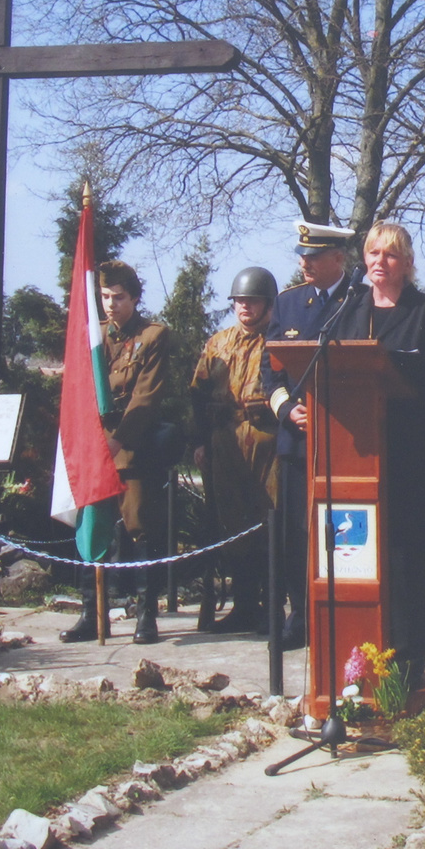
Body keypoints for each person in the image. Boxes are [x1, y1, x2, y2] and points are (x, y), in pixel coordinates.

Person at [328, 222, 425, 684]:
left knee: (405, 564)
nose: (379, 261)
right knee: (356, 559)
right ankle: (358, 664)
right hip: (356, 459)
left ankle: (406, 667)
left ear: (407, 264)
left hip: (410, 461)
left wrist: (400, 367)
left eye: (389, 254)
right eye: (372, 253)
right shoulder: (344, 313)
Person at [60, 260, 171, 645]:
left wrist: (118, 441)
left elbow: (145, 397)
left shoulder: (153, 337)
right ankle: (92, 614)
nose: (110, 305)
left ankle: (146, 617)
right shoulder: (94, 339)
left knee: (141, 527)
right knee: (93, 529)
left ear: (135, 298)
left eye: (119, 297)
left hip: (131, 448)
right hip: (95, 449)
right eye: (105, 297)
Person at [263, 221, 357, 649]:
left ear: (338, 258)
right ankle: (299, 614)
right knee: (297, 533)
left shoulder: (360, 301)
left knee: (342, 531)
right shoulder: (288, 304)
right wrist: (286, 408)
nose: (304, 262)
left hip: (347, 441)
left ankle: (343, 612)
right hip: (298, 440)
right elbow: (271, 370)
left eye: (314, 256)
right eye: (301, 255)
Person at [190, 266, 280, 633]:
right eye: (240, 301)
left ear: (267, 303)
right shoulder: (218, 343)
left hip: (266, 440)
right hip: (224, 440)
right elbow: (196, 394)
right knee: (231, 522)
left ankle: (272, 606)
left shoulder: (278, 340)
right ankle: (243, 605)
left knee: (269, 521)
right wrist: (197, 440)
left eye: (252, 301)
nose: (245, 307)